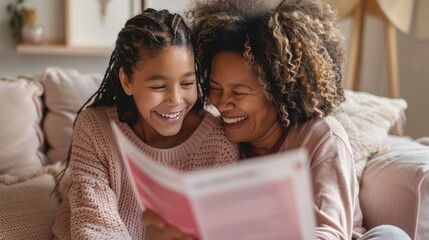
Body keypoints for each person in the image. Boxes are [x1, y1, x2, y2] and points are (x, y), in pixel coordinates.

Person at [143, 0, 412, 239]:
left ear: (279, 92)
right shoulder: (215, 138)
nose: (222, 103)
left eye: (238, 92)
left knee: (390, 235)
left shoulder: (321, 137)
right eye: (215, 88)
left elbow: (330, 232)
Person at [51, 8, 239, 239]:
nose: (176, 100)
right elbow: (94, 228)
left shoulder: (218, 143)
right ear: (126, 81)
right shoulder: (95, 128)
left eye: (187, 83)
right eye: (159, 87)